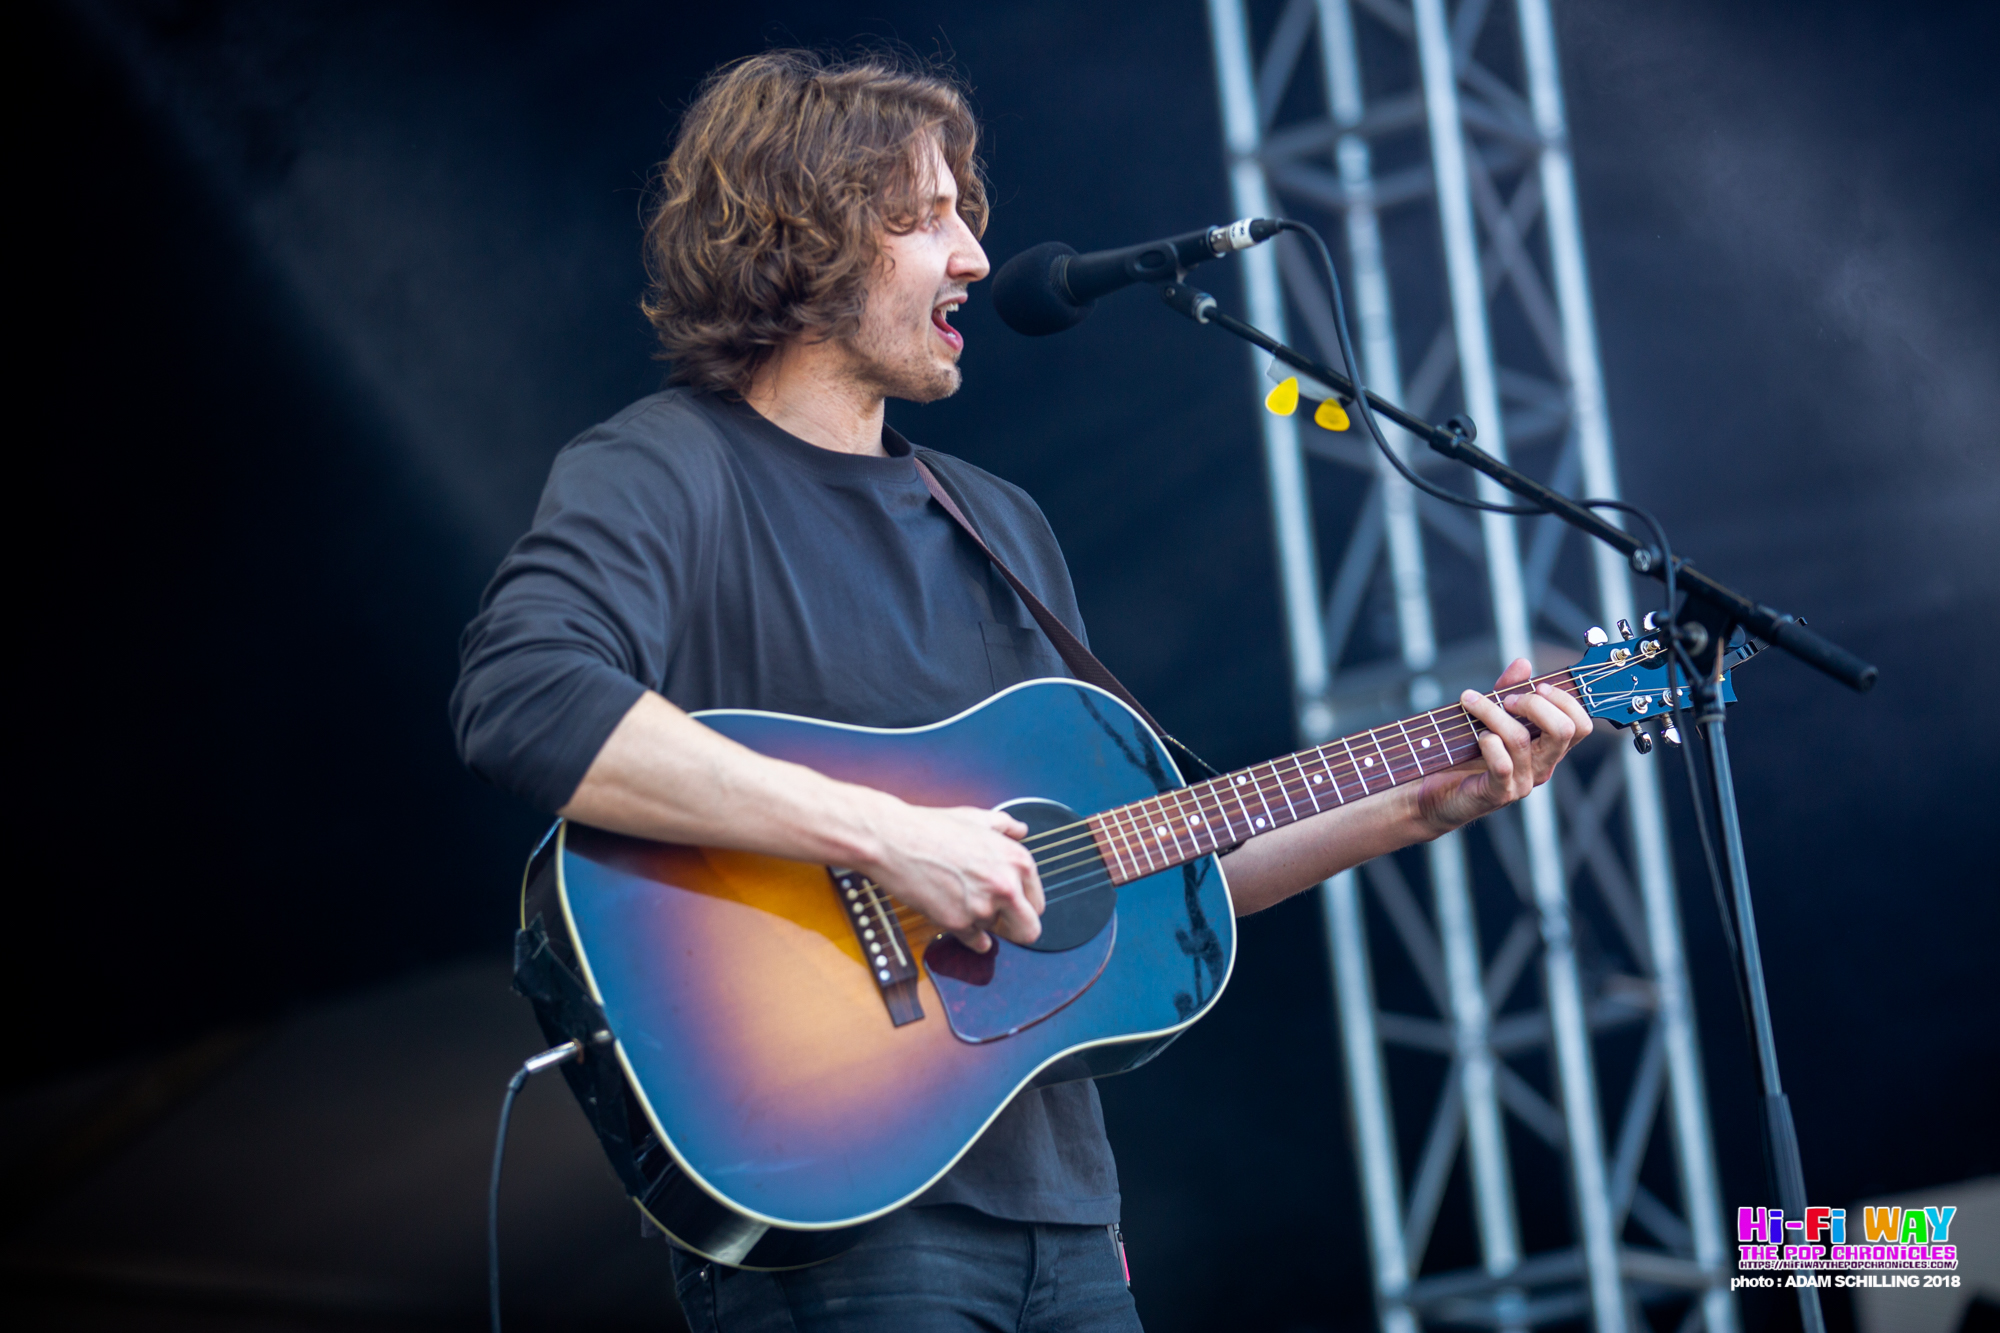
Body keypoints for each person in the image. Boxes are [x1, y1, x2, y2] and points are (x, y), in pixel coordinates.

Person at [450, 48, 1593, 1333]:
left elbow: (1141, 868)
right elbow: (523, 697)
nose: (976, 258)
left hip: (1068, 1224)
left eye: (964, 214)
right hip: (837, 1217)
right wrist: (888, 835)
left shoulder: (993, 521)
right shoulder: (666, 468)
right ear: (804, 234)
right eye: (925, 217)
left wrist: (1416, 804)